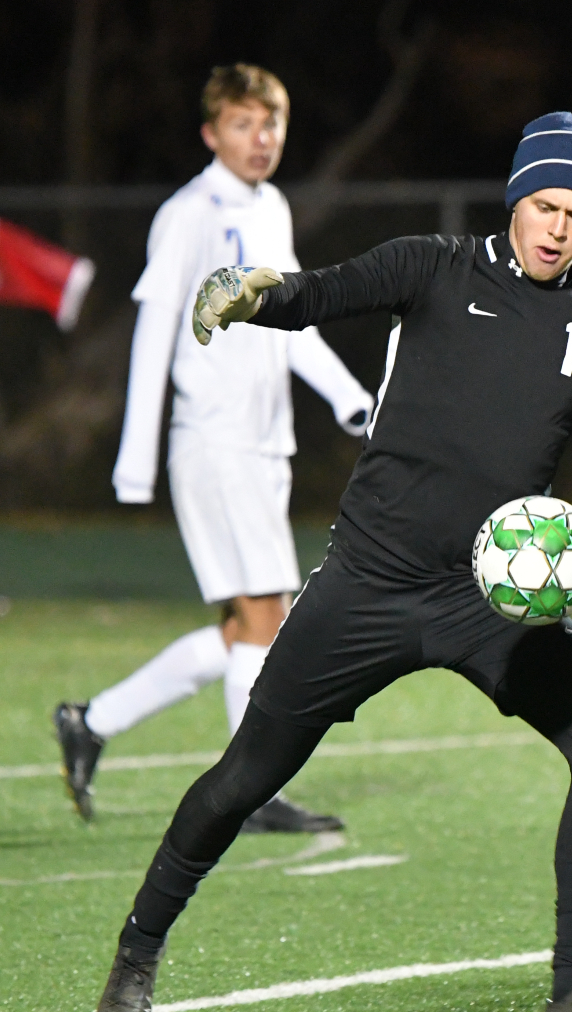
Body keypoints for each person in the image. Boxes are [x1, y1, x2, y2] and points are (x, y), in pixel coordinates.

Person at [93, 112, 572, 1012]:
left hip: (486, 601)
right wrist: (252, 290)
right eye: (543, 204)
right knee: (246, 776)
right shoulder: (434, 266)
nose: (557, 227)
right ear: (515, 197)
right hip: (366, 581)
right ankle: (137, 952)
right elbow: (321, 294)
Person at [52, 64, 374, 831]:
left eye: (271, 125)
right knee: (270, 614)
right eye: (242, 124)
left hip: (266, 443)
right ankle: (251, 792)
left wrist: (348, 397)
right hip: (214, 440)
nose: (259, 140)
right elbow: (155, 329)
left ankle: (92, 722)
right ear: (211, 132)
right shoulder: (189, 213)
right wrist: (134, 458)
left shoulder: (274, 207)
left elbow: (291, 322)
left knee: (246, 628)